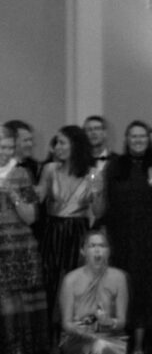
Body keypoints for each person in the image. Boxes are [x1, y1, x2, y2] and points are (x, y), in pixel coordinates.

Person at [100, 121, 152, 354]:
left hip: (149, 241)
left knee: (145, 295)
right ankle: (118, 348)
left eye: (142, 136)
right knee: (120, 291)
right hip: (121, 239)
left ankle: (139, 349)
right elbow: (105, 204)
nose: (138, 140)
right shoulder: (115, 166)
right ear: (126, 139)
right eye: (133, 136)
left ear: (148, 141)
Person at [36, 125, 99, 332]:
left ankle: (75, 339)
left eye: (62, 142)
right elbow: (37, 199)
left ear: (76, 145)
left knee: (77, 286)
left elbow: (98, 211)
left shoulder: (92, 174)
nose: (57, 147)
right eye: (56, 142)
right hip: (53, 233)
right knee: (51, 285)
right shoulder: (49, 170)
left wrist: (97, 192)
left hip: (78, 234)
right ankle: (52, 343)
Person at [0, 125, 48, 354]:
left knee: (19, 315)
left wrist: (15, 197)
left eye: (9, 147)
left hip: (20, 251)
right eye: (1, 147)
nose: (5, 152)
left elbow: (32, 217)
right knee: (6, 314)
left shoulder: (21, 174)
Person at [59, 228, 130, 354]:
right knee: (97, 345)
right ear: (83, 251)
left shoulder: (119, 277)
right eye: (92, 246)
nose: (97, 251)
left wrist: (108, 322)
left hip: (111, 336)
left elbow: (122, 321)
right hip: (77, 337)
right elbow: (66, 323)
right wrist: (82, 330)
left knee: (102, 345)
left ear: (109, 250)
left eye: (102, 246)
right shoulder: (71, 280)